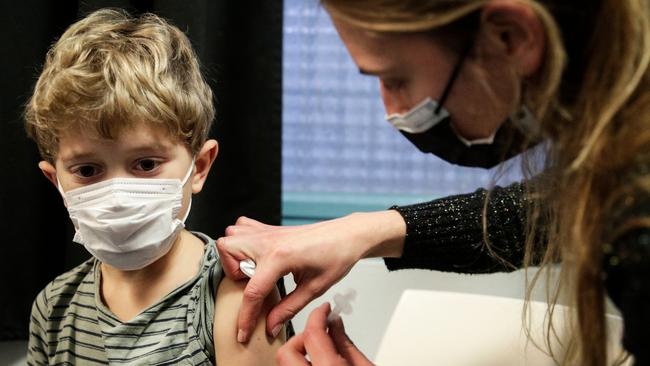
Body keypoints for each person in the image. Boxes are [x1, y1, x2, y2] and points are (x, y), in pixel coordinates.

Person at [216, 0, 650, 365]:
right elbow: (551, 211)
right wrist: (365, 230)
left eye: (396, 79)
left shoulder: (637, 219)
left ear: (511, 37)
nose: (392, 110)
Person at [23, 9, 285, 365]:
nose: (117, 195)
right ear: (56, 181)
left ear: (200, 167)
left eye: (146, 164)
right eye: (87, 169)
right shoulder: (54, 307)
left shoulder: (237, 292)